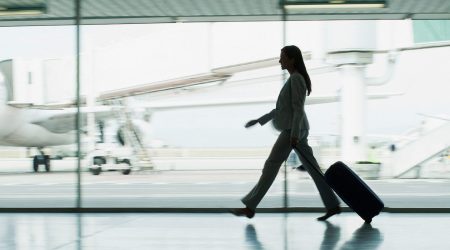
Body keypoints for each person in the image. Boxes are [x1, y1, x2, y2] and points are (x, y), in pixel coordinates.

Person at [230, 45, 341, 221]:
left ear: (292, 59)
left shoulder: (296, 79)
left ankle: (250, 207)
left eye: (282, 57)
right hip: (296, 130)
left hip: (292, 131)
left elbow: (297, 109)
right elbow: (281, 110)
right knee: (313, 170)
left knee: (271, 165)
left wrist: (294, 135)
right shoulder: (294, 79)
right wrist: (259, 120)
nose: (279, 60)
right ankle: (333, 205)